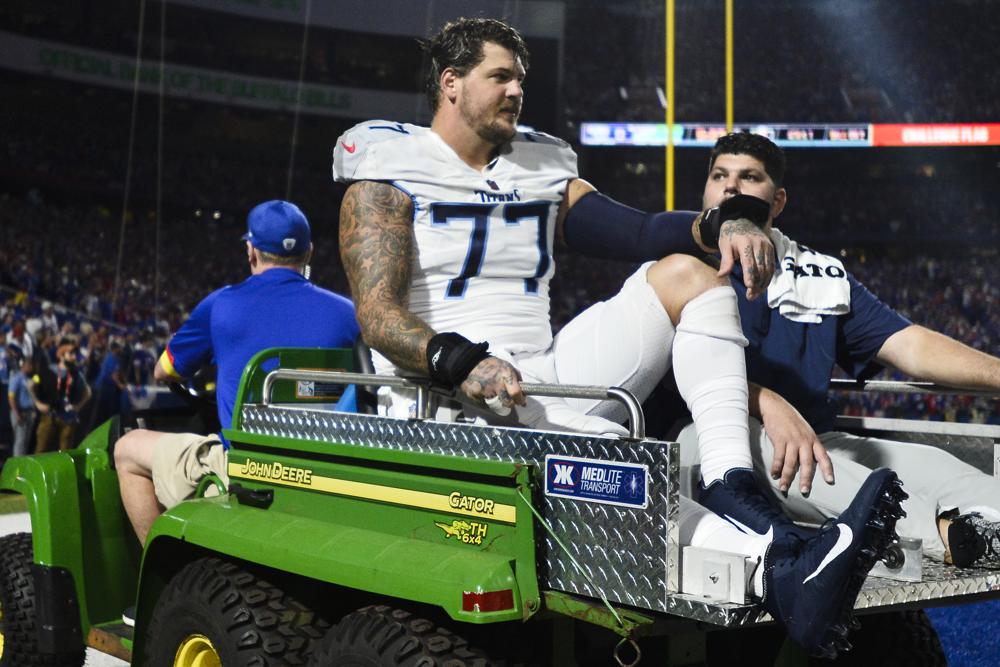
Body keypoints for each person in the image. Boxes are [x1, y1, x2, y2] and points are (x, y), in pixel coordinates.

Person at [331, 17, 905, 657]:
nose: (517, 91)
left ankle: (732, 486)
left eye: (521, 78)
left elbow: (638, 232)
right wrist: (461, 361)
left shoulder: (541, 163)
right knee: (620, 474)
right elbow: (376, 315)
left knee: (688, 274)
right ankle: (782, 562)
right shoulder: (389, 163)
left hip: (542, 378)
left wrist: (723, 225)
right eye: (500, 77)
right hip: (445, 398)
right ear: (452, 83)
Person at [676, 132, 1000, 567]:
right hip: (706, 435)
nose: (730, 187)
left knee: (939, 466)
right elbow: (662, 371)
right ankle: (954, 538)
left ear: (778, 202)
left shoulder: (820, 273)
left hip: (814, 437)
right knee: (790, 454)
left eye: (749, 177)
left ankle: (987, 516)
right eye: (720, 176)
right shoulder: (680, 262)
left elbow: (912, 345)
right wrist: (764, 402)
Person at [113, 200, 360, 547]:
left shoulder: (221, 305)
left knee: (127, 448)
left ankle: (157, 575)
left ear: (251, 251)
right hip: (322, 469)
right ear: (309, 253)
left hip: (245, 469)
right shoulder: (348, 313)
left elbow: (163, 371)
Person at [32, 337, 91, 452]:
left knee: (65, 452)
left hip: (68, 418)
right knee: (41, 449)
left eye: (75, 354)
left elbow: (88, 392)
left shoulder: (76, 373)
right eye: (71, 354)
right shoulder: (49, 370)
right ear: (61, 355)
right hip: (50, 416)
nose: (74, 357)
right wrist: (38, 403)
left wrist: (78, 407)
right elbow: (31, 384)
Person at [8, 352, 37, 457]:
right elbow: (11, 397)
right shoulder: (17, 378)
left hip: (29, 413)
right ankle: (17, 464)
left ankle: (23, 462)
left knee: (26, 441)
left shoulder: (29, 378)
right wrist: (17, 413)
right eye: (29, 364)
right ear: (23, 365)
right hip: (20, 412)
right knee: (20, 441)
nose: (31, 367)